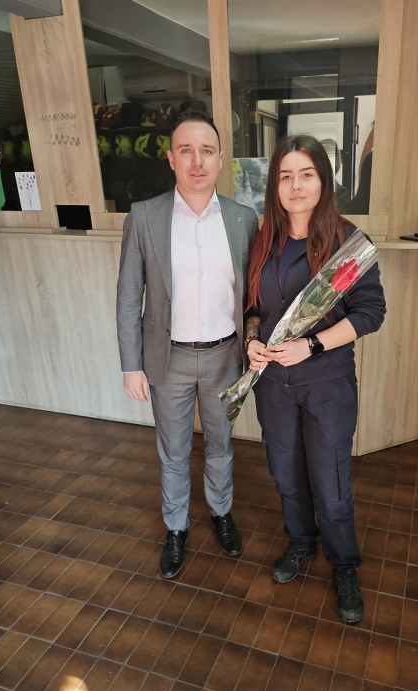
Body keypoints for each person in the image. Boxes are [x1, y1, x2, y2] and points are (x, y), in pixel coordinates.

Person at [245, 134, 386, 623]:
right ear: (275, 185)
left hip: (327, 384)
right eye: (285, 176)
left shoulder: (346, 242)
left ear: (324, 181)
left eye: (306, 174)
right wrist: (251, 341)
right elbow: (252, 308)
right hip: (274, 388)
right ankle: (302, 542)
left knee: (331, 481)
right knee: (286, 474)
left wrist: (313, 345)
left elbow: (370, 313)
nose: (296, 186)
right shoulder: (264, 242)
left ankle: (344, 564)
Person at [117, 111, 258, 579]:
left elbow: (253, 296)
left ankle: (221, 513)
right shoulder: (145, 217)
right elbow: (128, 295)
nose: (197, 161)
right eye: (186, 151)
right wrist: (131, 365)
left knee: (220, 444)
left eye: (207, 151)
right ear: (171, 159)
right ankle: (175, 528)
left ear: (220, 159)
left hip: (226, 357)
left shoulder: (242, 219)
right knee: (173, 451)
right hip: (168, 358)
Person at [320, 138, 351, 212]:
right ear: (335, 160)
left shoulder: (307, 187)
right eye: (340, 155)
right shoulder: (341, 192)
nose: (342, 160)